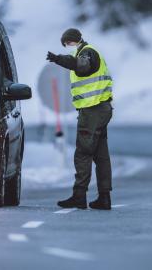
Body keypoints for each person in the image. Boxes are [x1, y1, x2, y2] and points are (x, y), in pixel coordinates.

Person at [46, 28, 114, 210]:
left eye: (67, 43)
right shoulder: (88, 51)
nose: (67, 46)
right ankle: (104, 197)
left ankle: (79, 195)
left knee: (83, 152)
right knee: (100, 155)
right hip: (102, 108)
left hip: (92, 110)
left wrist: (59, 59)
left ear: (73, 41)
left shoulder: (87, 52)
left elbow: (82, 67)